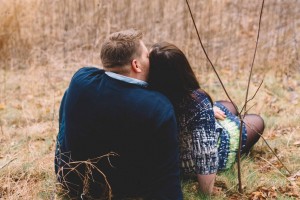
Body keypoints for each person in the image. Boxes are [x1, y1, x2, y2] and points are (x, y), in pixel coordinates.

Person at [54, 30, 183, 199]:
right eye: (147, 56)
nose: (150, 59)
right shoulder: (158, 106)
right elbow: (167, 174)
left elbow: (106, 78)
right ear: (136, 65)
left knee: (69, 96)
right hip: (122, 191)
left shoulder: (80, 79)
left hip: (71, 181)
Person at [148, 42, 265, 195]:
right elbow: (206, 154)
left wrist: (207, 111)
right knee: (257, 121)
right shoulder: (196, 101)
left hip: (175, 154)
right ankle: (235, 143)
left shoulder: (148, 92)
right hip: (191, 162)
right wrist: (206, 193)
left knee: (228, 105)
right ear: (183, 70)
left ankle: (217, 116)